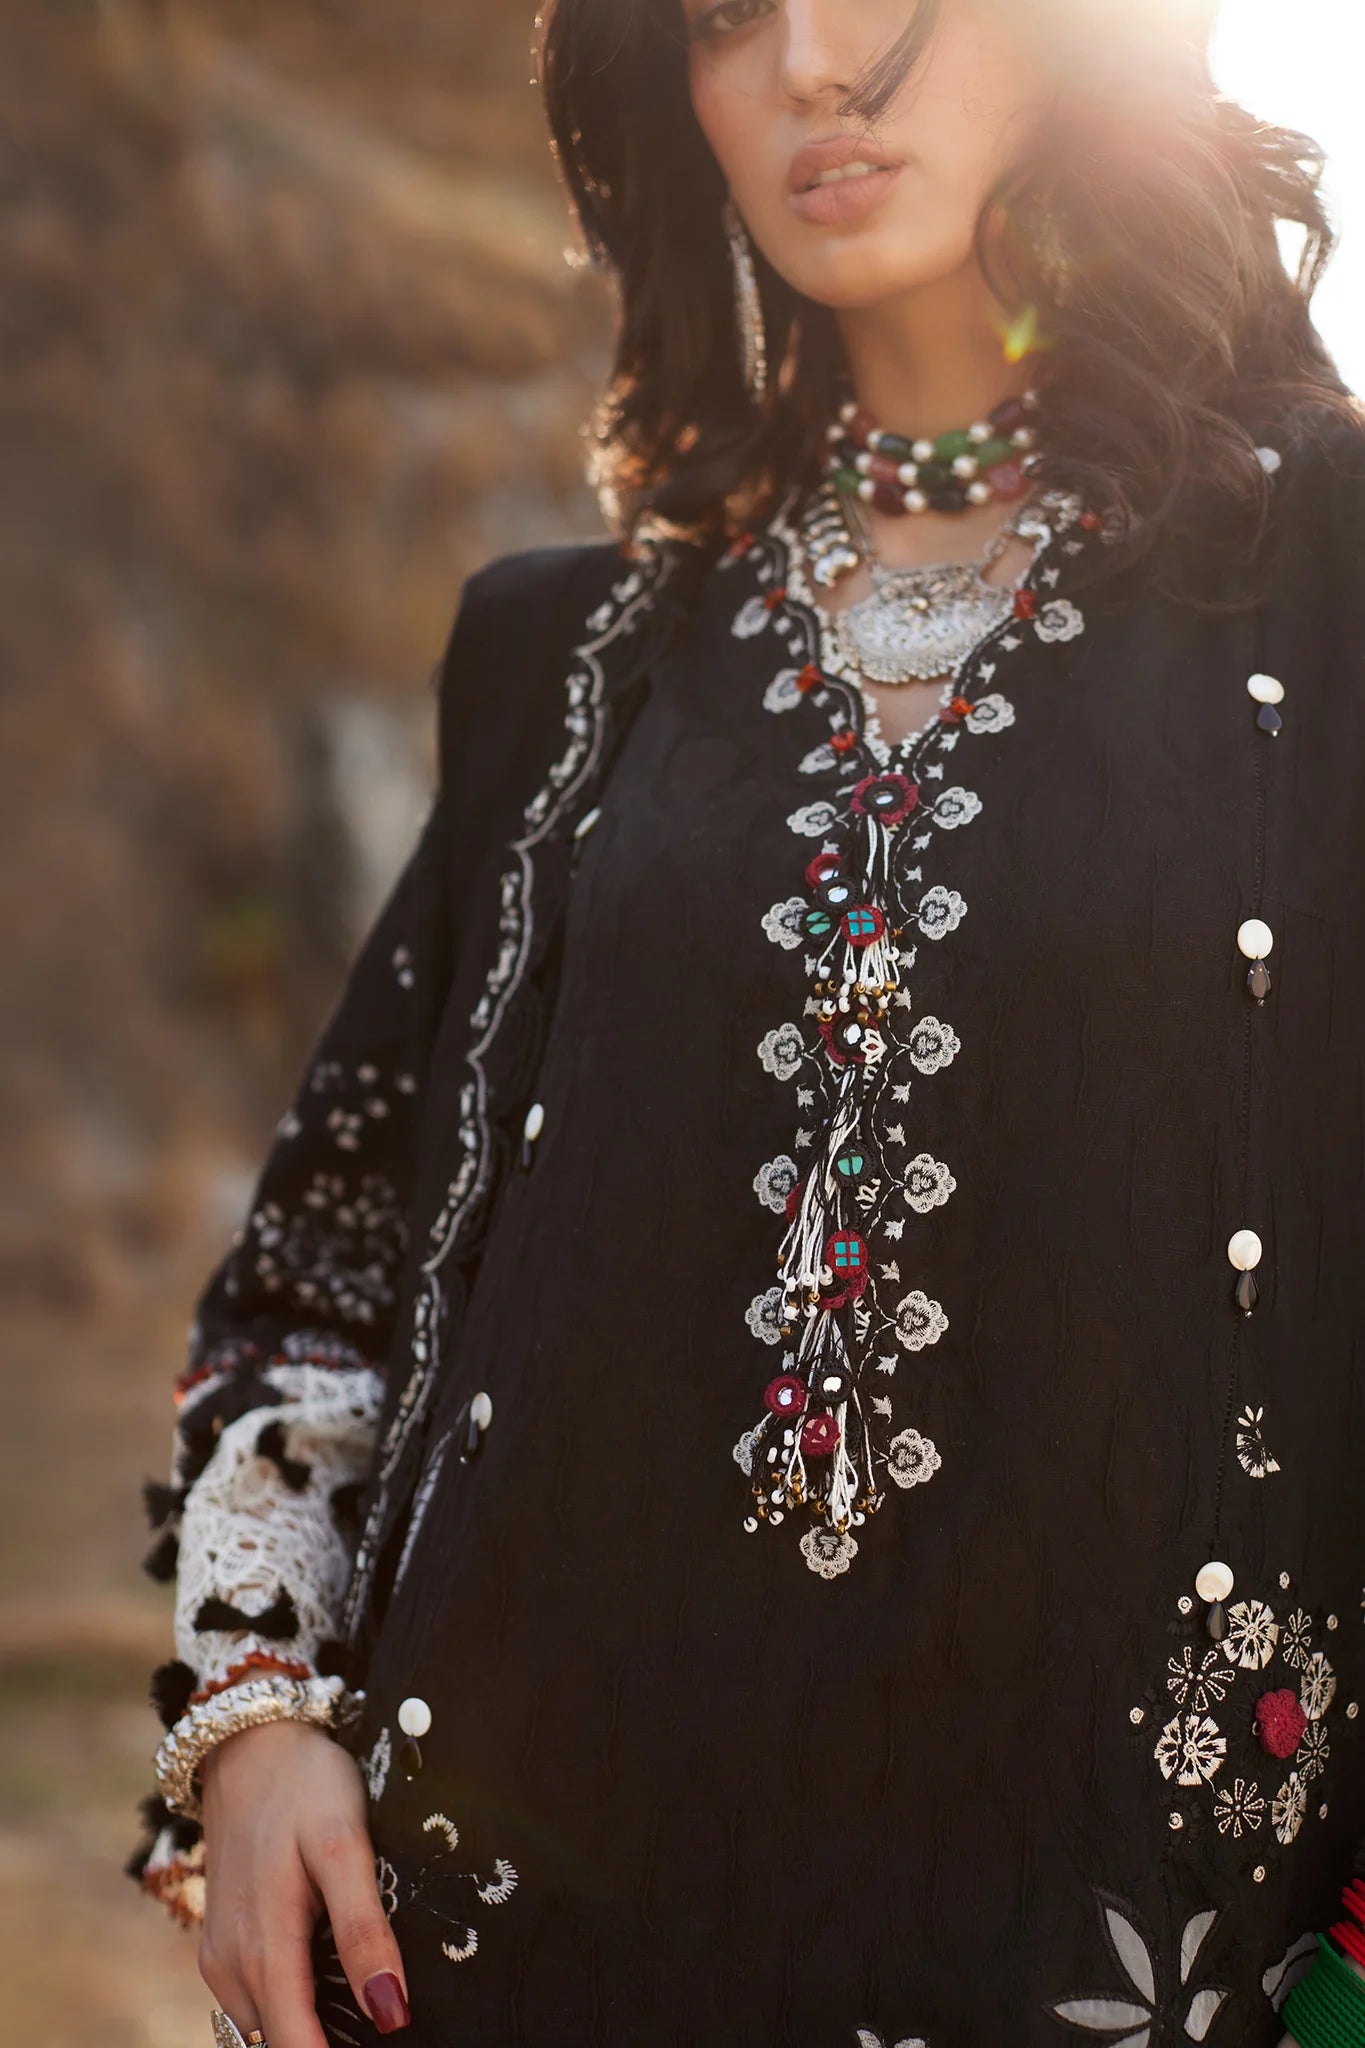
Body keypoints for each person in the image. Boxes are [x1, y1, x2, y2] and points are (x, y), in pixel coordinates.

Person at [129, 2, 1365, 2044]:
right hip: (520, 1951)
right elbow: (319, 1281)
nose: (802, 65)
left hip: (1127, 1958)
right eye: (718, 16)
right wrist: (252, 1723)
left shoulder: (1322, 587)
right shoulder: (567, 659)